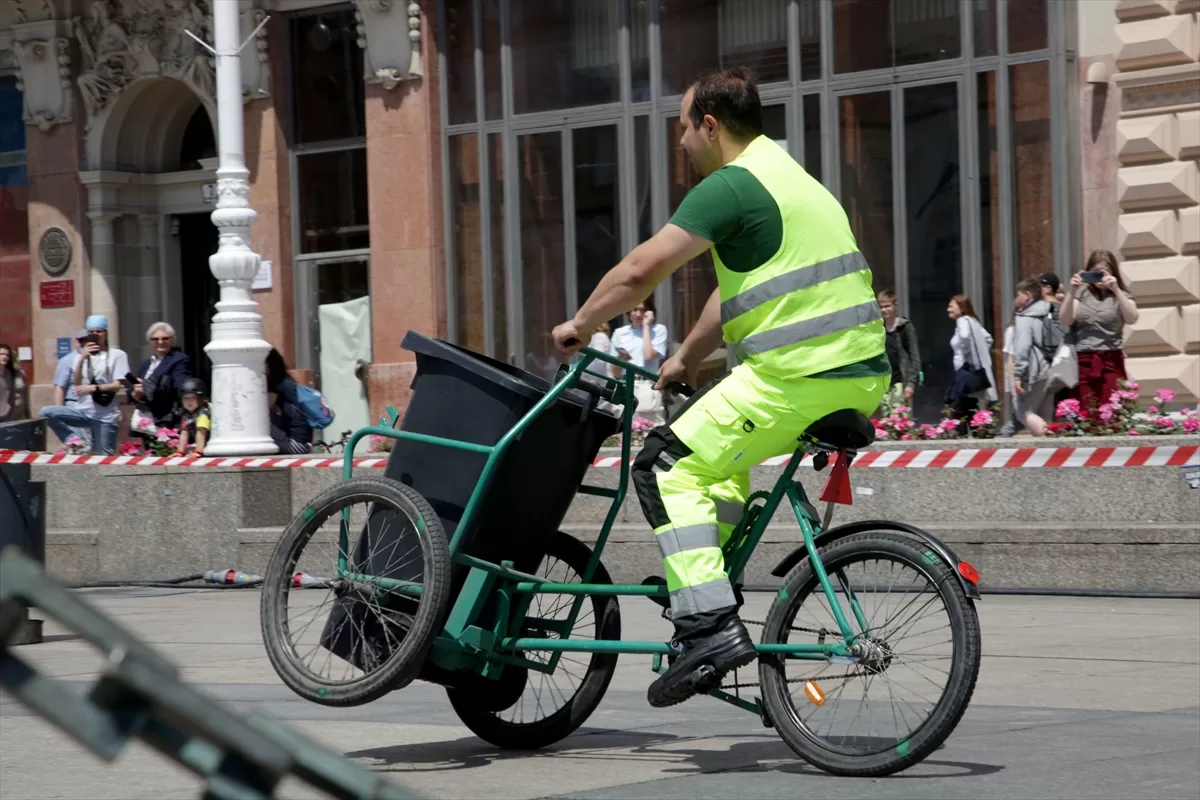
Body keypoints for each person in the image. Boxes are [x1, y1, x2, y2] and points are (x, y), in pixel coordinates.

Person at [551, 68, 888, 708]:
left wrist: (579, 325)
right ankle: (707, 579)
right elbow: (730, 299)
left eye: (683, 127)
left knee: (665, 465)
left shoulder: (730, 186)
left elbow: (640, 270)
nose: (680, 141)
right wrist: (685, 359)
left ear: (710, 125)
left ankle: (708, 626)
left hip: (795, 377)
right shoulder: (796, 180)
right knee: (717, 468)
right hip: (857, 375)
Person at [1059, 249, 1139, 413]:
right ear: (1088, 272)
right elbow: (1066, 320)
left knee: (1113, 410)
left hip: (1111, 358)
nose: (1100, 277)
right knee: (1087, 411)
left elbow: (1132, 318)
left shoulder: (1120, 295)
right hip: (1084, 360)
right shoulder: (1080, 294)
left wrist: (1116, 289)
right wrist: (1072, 291)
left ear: (1113, 272)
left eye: (1104, 272)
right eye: (1095, 273)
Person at [43, 315, 129, 455]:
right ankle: (74, 440)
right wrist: (83, 357)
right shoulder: (79, 356)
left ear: (106, 333)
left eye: (99, 331)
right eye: (91, 332)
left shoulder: (117, 355)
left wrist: (93, 388)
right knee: (47, 412)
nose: (95, 335)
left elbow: (117, 385)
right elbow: (77, 384)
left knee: (104, 457)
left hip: (105, 415)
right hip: (83, 411)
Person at [610, 298, 670, 425]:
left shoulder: (659, 330)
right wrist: (619, 361)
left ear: (650, 313)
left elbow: (649, 356)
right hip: (625, 383)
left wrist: (646, 326)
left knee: (647, 427)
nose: (638, 314)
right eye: (635, 310)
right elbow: (615, 372)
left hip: (646, 384)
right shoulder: (620, 333)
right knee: (623, 428)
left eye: (642, 310)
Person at [129, 321, 192, 437]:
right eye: (155, 339)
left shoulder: (179, 359)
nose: (160, 342)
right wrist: (135, 393)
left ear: (172, 340)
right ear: (150, 342)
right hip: (146, 419)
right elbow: (133, 390)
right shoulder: (146, 364)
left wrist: (148, 388)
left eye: (165, 338)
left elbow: (179, 385)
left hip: (166, 417)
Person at [945, 294, 998, 430]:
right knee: (969, 410)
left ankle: (960, 437)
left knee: (959, 410)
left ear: (961, 308)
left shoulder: (962, 321)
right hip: (967, 374)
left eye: (951, 306)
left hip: (965, 375)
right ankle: (974, 435)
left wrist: (968, 357)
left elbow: (965, 337)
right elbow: (988, 339)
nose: (948, 309)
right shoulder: (972, 321)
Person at [1010, 278, 1055, 436]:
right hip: (1055, 368)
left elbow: (1023, 348)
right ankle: (1050, 453)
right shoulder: (1051, 310)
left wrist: (1017, 375)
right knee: (1045, 413)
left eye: (1018, 294)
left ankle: (1048, 435)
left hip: (1036, 370)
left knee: (1023, 412)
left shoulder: (1025, 317)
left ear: (1027, 295)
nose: (1016, 298)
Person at [37, 330, 91, 447]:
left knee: (92, 446)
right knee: (82, 444)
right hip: (74, 404)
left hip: (93, 407)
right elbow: (59, 387)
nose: (84, 343)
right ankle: (72, 440)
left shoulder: (98, 357)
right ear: (75, 341)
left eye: (87, 340)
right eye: (81, 340)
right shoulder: (67, 360)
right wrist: (60, 410)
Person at [876, 289, 920, 415]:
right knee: (886, 422)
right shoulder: (879, 329)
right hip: (884, 383)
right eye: (881, 307)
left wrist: (911, 384)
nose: (884, 310)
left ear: (895, 305)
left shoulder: (905, 327)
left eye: (887, 306)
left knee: (899, 421)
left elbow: (914, 357)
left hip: (900, 382)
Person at [265, 348, 313, 455]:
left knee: (257, 423)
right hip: (302, 443)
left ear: (269, 365)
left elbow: (264, 408)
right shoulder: (286, 382)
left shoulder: (277, 385)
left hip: (295, 445)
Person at [172, 377, 211, 457]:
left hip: (210, 445)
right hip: (202, 444)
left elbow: (201, 433)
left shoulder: (203, 413)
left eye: (193, 398)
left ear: (201, 399)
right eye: (186, 398)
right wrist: (180, 451)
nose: (189, 402)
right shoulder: (186, 414)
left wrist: (198, 451)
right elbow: (184, 433)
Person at [0, 344, 29, 423]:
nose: (5, 357)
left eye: (7, 355)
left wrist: (27, 413)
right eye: (2, 354)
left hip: (10, 413)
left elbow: (24, 394)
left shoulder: (12, 374)